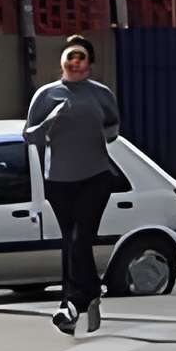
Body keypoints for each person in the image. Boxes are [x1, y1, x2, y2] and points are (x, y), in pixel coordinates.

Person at [25, 37, 124, 334]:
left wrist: (97, 129)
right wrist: (50, 121)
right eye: (71, 57)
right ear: (62, 62)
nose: (75, 63)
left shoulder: (101, 95)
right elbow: (30, 136)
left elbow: (113, 131)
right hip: (58, 180)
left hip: (95, 176)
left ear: (89, 65)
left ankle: (74, 301)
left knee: (81, 238)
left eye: (81, 58)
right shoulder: (46, 95)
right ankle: (82, 298)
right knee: (71, 242)